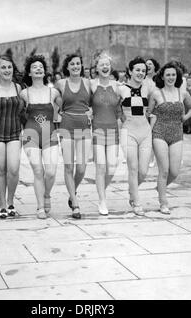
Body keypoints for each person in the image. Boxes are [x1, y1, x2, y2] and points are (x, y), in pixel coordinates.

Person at [148, 62, 191, 214]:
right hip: (159, 133)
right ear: (162, 76)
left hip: (177, 133)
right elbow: (149, 113)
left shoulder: (182, 93)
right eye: (168, 74)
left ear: (178, 77)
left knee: (174, 172)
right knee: (164, 170)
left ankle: (160, 187)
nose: (171, 77)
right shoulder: (156, 94)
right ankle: (163, 202)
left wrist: (185, 117)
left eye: (173, 75)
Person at [20, 55, 61, 219]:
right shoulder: (24, 93)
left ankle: (47, 195)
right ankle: (39, 207)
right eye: (34, 67)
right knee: (38, 170)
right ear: (29, 73)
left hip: (49, 133)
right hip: (30, 134)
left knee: (50, 172)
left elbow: (67, 108)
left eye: (41, 66)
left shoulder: (54, 92)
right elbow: (15, 112)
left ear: (44, 71)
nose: (38, 68)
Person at [0, 55, 24, 219]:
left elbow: (22, 109)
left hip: (14, 131)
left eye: (9, 67)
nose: (7, 70)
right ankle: (2, 204)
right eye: (3, 67)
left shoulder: (18, 88)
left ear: (13, 69)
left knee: (13, 169)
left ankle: (10, 201)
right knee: (1, 169)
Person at [55, 53, 92, 219]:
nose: (76, 66)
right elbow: (53, 103)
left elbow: (96, 102)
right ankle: (75, 204)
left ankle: (72, 193)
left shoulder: (88, 82)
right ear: (67, 67)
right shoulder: (61, 83)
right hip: (67, 126)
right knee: (69, 167)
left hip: (84, 127)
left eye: (78, 63)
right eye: (72, 64)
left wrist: (92, 112)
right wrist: (57, 114)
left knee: (82, 168)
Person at [118, 56, 152, 215]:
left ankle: (132, 191)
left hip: (145, 132)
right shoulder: (120, 88)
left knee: (143, 171)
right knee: (133, 168)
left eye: (143, 71)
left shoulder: (148, 87)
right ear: (130, 71)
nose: (140, 73)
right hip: (128, 131)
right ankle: (136, 202)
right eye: (137, 70)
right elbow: (112, 107)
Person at [90, 53, 122, 215]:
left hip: (113, 130)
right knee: (101, 166)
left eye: (107, 64)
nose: (104, 67)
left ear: (110, 67)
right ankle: (102, 200)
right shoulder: (91, 85)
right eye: (101, 64)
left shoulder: (117, 86)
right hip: (97, 129)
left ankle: (101, 189)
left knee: (112, 167)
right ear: (96, 68)